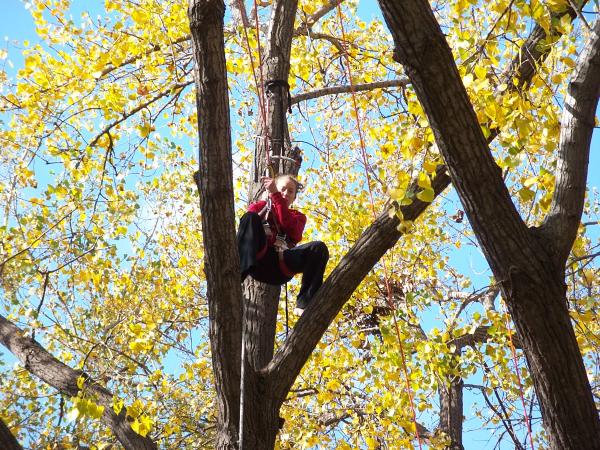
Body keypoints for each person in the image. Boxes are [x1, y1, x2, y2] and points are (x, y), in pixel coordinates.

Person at [237, 175, 329, 315]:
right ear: (270, 191)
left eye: (290, 191)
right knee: (249, 218)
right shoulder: (260, 207)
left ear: (294, 197)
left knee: (318, 248)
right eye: (282, 189)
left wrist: (276, 195)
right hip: (258, 259)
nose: (286, 194)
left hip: (281, 265)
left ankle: (305, 303)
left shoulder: (297, 217)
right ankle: (237, 274)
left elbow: (291, 228)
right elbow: (248, 227)